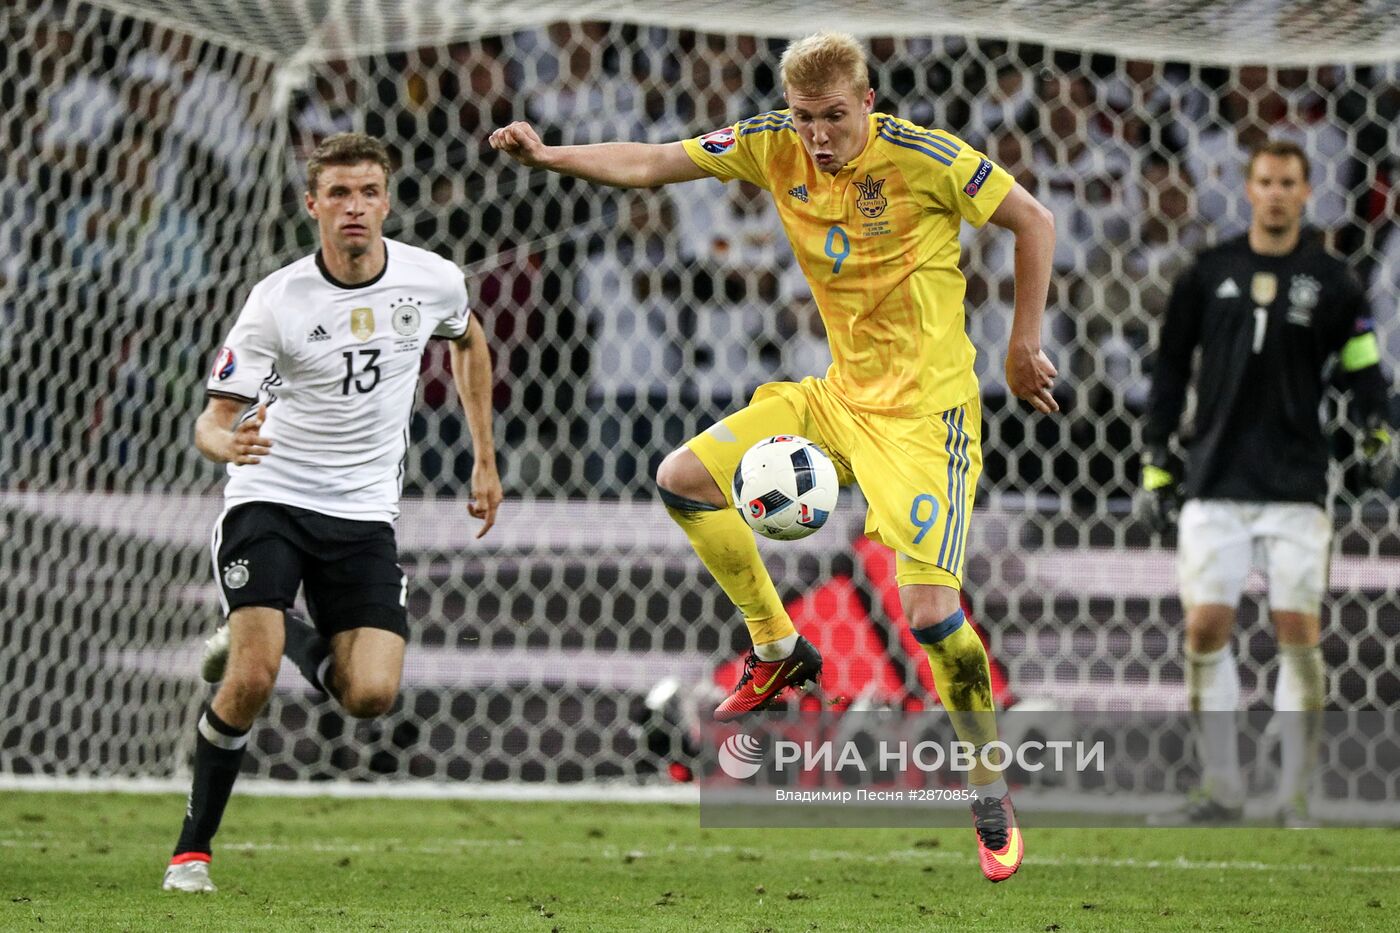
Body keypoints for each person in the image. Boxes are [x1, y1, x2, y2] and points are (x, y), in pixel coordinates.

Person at [491, 31, 1057, 882]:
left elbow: (1032, 219)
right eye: (806, 117)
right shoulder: (771, 144)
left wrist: (1021, 344)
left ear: (868, 101)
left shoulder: (928, 158)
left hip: (925, 422)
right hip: (834, 399)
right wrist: (548, 154)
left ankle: (986, 785)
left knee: (936, 622)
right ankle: (777, 645)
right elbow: (652, 164)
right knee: (682, 478)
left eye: (834, 116)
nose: (819, 134)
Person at [161, 132, 502, 893]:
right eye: (339, 194)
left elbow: (468, 341)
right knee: (246, 678)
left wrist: (484, 455)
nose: (355, 207)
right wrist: (226, 444)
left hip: (364, 512)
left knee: (370, 694)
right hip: (270, 496)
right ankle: (191, 851)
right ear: (312, 204)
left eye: (368, 192)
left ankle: (283, 635)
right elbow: (211, 418)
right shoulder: (276, 299)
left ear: (387, 200)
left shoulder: (433, 280)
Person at [1141, 138, 1391, 827]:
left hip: (1296, 480)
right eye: (1266, 181)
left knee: (1297, 630)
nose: (1277, 192)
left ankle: (1293, 796)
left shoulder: (1332, 279)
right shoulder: (1208, 271)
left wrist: (1378, 428)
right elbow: (1168, 368)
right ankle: (1222, 786)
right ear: (1248, 189)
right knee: (1205, 627)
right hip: (1214, 475)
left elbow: (1365, 364)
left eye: (1289, 181)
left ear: (1306, 193)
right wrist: (1156, 455)